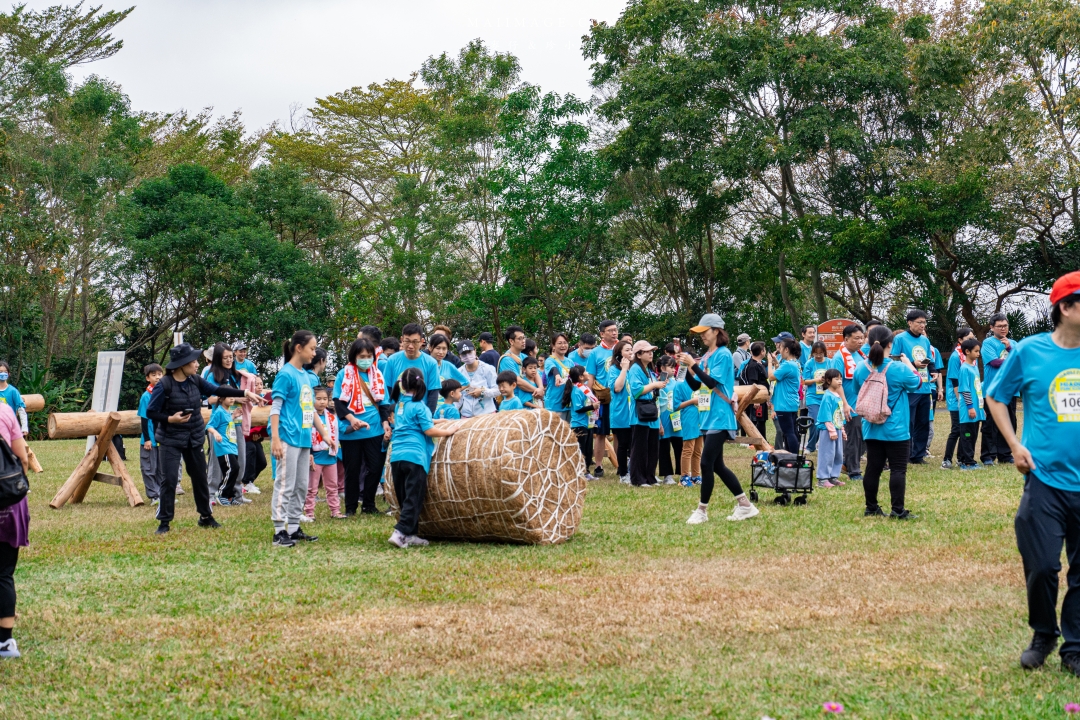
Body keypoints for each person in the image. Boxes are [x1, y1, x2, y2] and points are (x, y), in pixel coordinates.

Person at [986, 271, 1080, 674]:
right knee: (1042, 564)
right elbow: (995, 395)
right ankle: (1044, 632)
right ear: (1065, 307)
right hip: (1045, 478)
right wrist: (1014, 445)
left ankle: (1074, 647)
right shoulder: (1030, 351)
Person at [146, 343, 263, 535]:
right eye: (193, 361)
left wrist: (245, 393)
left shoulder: (195, 380)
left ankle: (206, 517)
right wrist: (170, 419)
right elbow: (151, 412)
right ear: (181, 364)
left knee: (200, 477)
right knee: (169, 480)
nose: (197, 364)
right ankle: (164, 522)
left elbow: (219, 391)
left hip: (194, 437)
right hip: (170, 439)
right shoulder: (164, 385)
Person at [681, 314, 759, 523]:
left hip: (720, 416)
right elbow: (697, 385)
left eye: (704, 332)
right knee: (717, 466)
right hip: (708, 416)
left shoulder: (723, 355)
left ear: (716, 331)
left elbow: (712, 381)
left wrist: (694, 365)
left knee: (706, 463)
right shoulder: (707, 356)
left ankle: (702, 511)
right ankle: (745, 505)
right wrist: (687, 370)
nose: (702, 337)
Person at [270, 330, 337, 548]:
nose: (314, 352)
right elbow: (275, 409)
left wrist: (325, 434)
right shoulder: (285, 375)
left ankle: (293, 527)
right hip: (288, 438)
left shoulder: (308, 377)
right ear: (298, 348)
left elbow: (310, 410)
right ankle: (279, 530)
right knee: (285, 484)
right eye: (312, 348)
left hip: (304, 439)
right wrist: (276, 439)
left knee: (301, 485)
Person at [851, 324, 924, 519]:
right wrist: (910, 364)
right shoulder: (898, 368)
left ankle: (871, 507)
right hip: (896, 428)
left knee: (873, 468)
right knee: (898, 469)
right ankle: (897, 510)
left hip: (871, 426)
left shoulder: (861, 368)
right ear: (890, 344)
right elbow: (917, 383)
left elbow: (859, 389)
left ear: (868, 342)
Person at [387, 368, 462, 548]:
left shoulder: (400, 405)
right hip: (415, 457)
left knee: (405, 497)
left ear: (403, 385)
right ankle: (400, 532)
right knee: (414, 497)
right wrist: (448, 430)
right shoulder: (419, 405)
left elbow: (415, 421)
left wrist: (437, 421)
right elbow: (428, 430)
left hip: (397, 456)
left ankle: (411, 535)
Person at [333, 338, 385, 517]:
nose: (366, 359)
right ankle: (350, 507)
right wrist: (351, 419)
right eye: (362, 356)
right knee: (352, 470)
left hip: (374, 428)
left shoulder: (377, 374)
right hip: (351, 430)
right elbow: (338, 403)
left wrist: (386, 423)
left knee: (376, 467)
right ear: (354, 357)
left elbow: (383, 403)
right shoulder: (343, 374)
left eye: (369, 356)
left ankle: (369, 504)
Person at [0, 402, 28, 658]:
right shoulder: (5, 411)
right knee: (4, 572)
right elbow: (21, 456)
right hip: (7, 503)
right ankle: (6, 642)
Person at [891, 309, 938, 464]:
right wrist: (912, 364)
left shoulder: (925, 340)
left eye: (924, 322)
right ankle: (905, 453)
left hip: (925, 386)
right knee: (908, 422)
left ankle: (918, 455)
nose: (922, 325)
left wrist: (933, 371)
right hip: (909, 387)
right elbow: (894, 360)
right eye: (919, 322)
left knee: (923, 422)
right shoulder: (900, 339)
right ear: (909, 323)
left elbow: (929, 359)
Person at [831, 324, 867, 482]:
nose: (860, 341)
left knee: (864, 438)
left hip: (863, 404)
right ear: (846, 339)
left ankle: (846, 463)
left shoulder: (861, 355)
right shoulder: (839, 358)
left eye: (862, 338)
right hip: (849, 405)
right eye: (856, 338)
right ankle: (854, 471)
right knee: (853, 438)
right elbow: (836, 383)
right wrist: (845, 403)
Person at [981, 312, 1018, 466]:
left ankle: (1005, 454)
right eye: (999, 326)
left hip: (1010, 389)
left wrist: (1009, 348)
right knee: (990, 424)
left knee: (1010, 422)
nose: (1003, 329)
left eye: (1005, 325)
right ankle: (988, 455)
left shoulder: (1014, 343)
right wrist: (1012, 359)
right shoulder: (988, 343)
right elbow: (995, 363)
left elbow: (1021, 360)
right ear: (992, 327)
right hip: (993, 390)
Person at [627, 341, 664, 487]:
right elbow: (636, 391)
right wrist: (655, 385)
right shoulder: (635, 369)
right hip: (640, 414)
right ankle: (637, 479)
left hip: (652, 413)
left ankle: (650, 477)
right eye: (647, 351)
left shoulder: (648, 369)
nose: (651, 353)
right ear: (639, 354)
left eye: (652, 351)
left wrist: (658, 385)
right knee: (640, 449)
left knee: (652, 448)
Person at [585, 320, 619, 478]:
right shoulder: (595, 353)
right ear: (602, 334)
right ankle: (598, 466)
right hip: (603, 398)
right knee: (600, 433)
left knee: (620, 431)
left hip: (620, 397)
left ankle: (621, 464)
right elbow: (590, 377)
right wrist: (590, 398)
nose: (614, 332)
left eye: (615, 330)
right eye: (610, 330)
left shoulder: (622, 349)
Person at [305, 386, 343, 520]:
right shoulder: (308, 416)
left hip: (330, 456)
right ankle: (309, 513)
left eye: (325, 399)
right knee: (311, 488)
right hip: (315, 456)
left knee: (333, 486)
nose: (322, 402)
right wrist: (309, 453)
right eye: (319, 399)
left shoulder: (332, 417)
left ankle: (335, 511)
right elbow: (306, 436)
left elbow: (339, 431)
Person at [384, 324, 442, 413]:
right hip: (396, 417)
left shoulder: (431, 363)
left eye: (415, 342)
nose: (410, 346)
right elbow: (386, 389)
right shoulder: (392, 360)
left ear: (421, 342)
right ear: (402, 340)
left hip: (419, 417)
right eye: (407, 341)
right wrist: (387, 416)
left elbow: (433, 393)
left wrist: (428, 418)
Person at [942, 327, 976, 469]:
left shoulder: (970, 357)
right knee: (956, 429)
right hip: (956, 399)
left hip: (967, 399)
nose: (972, 341)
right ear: (960, 340)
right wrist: (961, 400)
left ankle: (962, 459)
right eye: (969, 338)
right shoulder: (956, 356)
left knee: (966, 429)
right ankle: (946, 459)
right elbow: (955, 381)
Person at [606, 341, 635, 482]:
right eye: (627, 350)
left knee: (634, 444)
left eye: (631, 350)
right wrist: (623, 369)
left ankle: (634, 471)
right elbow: (617, 388)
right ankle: (623, 474)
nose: (631, 352)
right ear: (619, 354)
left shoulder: (634, 369)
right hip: (620, 413)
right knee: (623, 444)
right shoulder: (613, 370)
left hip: (634, 413)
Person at [564, 365, 600, 480]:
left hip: (587, 423)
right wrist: (592, 406)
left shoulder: (584, 388)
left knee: (589, 450)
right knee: (581, 450)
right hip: (579, 425)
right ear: (580, 377)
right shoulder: (576, 390)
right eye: (585, 372)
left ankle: (587, 471)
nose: (588, 373)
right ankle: (580, 473)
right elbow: (578, 408)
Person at [767, 339, 803, 452]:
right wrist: (776, 363)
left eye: (781, 348)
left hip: (784, 404)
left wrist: (769, 362)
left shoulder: (788, 364)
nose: (779, 351)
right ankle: (791, 456)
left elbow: (771, 376)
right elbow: (782, 375)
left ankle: (793, 457)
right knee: (791, 432)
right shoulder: (794, 363)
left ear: (786, 350)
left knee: (788, 433)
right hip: (791, 403)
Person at [207, 397, 243, 506]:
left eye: (233, 396)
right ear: (222, 399)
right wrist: (215, 433)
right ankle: (222, 494)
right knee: (233, 468)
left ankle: (229, 496)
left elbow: (225, 423)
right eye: (229, 397)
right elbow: (209, 426)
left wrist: (233, 416)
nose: (233, 399)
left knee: (233, 470)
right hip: (223, 447)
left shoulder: (227, 412)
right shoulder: (218, 411)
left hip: (232, 446)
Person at [138, 363, 164, 506]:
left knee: (161, 468)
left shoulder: (163, 393)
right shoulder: (146, 396)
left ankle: (162, 494)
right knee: (149, 468)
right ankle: (153, 495)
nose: (157, 377)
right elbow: (144, 418)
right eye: (153, 375)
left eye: (159, 374)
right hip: (150, 440)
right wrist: (147, 439)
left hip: (162, 438)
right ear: (148, 378)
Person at [499, 326, 543, 410]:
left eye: (524, 338)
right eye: (519, 339)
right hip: (514, 403)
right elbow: (517, 381)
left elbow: (536, 373)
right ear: (511, 341)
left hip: (530, 400)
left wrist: (540, 388)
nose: (523, 341)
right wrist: (537, 390)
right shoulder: (506, 360)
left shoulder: (524, 356)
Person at [956, 338, 985, 470]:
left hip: (976, 408)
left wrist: (981, 407)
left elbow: (977, 389)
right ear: (967, 352)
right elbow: (965, 390)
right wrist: (970, 407)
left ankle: (963, 459)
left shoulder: (974, 367)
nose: (978, 354)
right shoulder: (964, 369)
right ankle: (968, 462)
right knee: (967, 435)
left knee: (972, 435)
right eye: (976, 351)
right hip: (968, 410)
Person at [816, 369, 846, 488]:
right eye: (836, 379)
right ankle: (822, 479)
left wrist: (842, 429)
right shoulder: (827, 396)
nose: (839, 381)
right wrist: (832, 430)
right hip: (828, 430)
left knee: (838, 454)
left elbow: (839, 414)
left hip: (837, 428)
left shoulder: (838, 396)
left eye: (840, 378)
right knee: (827, 454)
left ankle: (833, 476)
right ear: (828, 381)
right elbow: (826, 415)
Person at [673, 368, 702, 487]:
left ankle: (696, 475)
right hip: (689, 419)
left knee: (698, 450)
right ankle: (684, 476)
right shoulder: (679, 384)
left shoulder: (699, 380)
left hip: (700, 418)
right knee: (688, 449)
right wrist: (692, 401)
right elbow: (676, 406)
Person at [657, 355, 682, 484]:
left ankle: (683, 472)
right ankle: (667, 475)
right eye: (671, 367)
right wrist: (659, 423)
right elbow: (657, 403)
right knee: (664, 449)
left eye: (674, 367)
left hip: (677, 420)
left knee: (680, 446)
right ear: (662, 368)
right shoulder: (659, 383)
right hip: (664, 420)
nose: (673, 370)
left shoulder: (677, 382)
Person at [802, 341, 831, 453]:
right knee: (814, 422)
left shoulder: (830, 362)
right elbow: (805, 381)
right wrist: (816, 380)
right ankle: (810, 446)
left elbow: (836, 377)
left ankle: (823, 445)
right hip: (813, 397)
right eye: (816, 353)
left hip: (827, 397)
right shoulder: (809, 363)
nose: (818, 356)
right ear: (812, 353)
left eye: (821, 353)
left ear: (824, 352)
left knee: (826, 422)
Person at [458, 341, 499, 418]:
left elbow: (497, 390)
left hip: (487, 415)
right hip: (466, 416)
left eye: (469, 352)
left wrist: (482, 391)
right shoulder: (459, 373)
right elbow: (458, 395)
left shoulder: (488, 369)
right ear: (460, 356)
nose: (467, 356)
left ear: (475, 350)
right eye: (464, 354)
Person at [739, 342, 770, 441]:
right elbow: (753, 383)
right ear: (762, 352)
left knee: (762, 420)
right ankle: (756, 441)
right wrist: (756, 400)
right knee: (757, 420)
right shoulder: (752, 365)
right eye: (764, 349)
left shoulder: (759, 364)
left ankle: (763, 440)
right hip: (757, 397)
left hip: (762, 397)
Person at [544, 333, 573, 421]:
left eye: (565, 343)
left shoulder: (570, 362)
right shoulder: (549, 360)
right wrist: (557, 376)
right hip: (554, 405)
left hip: (569, 405)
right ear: (553, 345)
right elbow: (553, 369)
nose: (563, 345)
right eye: (559, 343)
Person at [0, 362, 27, 437]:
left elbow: (21, 409)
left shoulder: (13, 391)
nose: (3, 374)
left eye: (5, 372)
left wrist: (24, 427)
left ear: (9, 374)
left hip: (9, 427)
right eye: (0, 372)